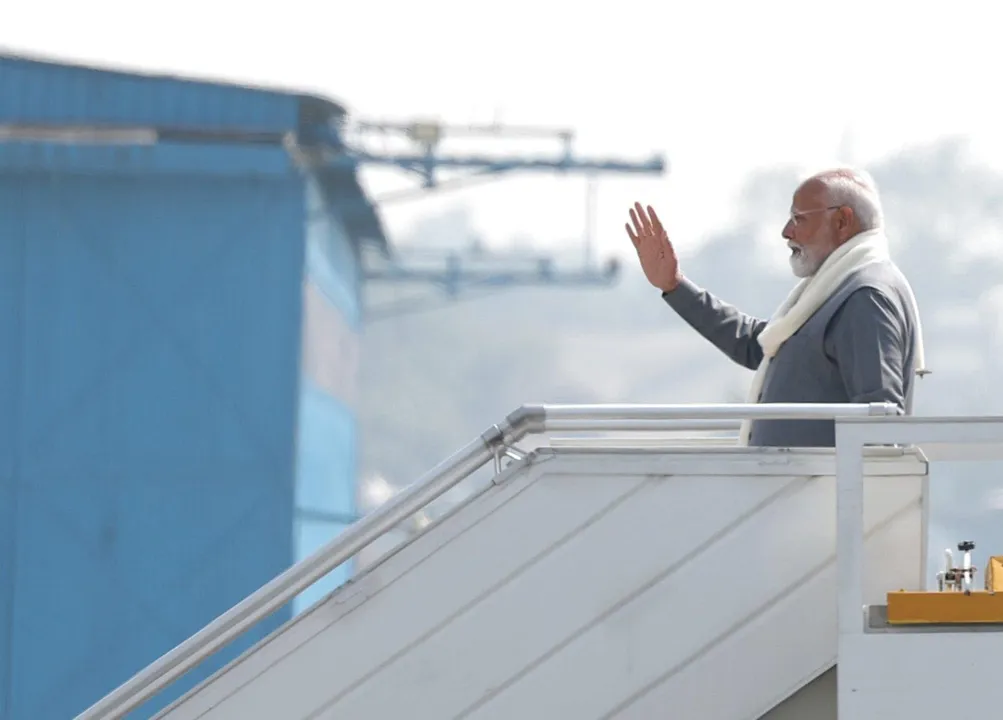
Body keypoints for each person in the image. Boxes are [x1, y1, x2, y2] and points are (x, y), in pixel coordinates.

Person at [626, 167, 928, 447]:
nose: (787, 231)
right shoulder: (834, 290)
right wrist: (675, 286)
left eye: (799, 218)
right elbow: (757, 344)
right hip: (793, 494)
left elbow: (880, 425)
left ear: (842, 221)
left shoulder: (865, 297)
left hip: (826, 499)